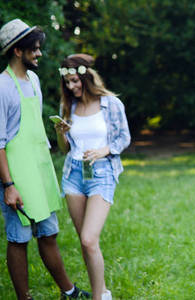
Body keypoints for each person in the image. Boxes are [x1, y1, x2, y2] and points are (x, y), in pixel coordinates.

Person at [0, 19, 91, 300]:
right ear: (18, 51)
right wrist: (9, 185)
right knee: (19, 239)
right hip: (16, 175)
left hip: (39, 169)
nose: (39, 54)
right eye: (34, 49)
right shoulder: (2, 86)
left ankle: (69, 291)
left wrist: (57, 131)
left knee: (49, 233)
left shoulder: (35, 80)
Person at [54, 53, 130, 300]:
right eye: (68, 83)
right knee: (86, 242)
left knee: (88, 239)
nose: (71, 87)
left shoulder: (110, 104)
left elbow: (124, 138)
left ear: (86, 78)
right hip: (73, 174)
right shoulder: (68, 106)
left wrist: (103, 150)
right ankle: (103, 291)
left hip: (102, 173)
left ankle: (98, 297)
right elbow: (65, 148)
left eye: (75, 81)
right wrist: (60, 133)